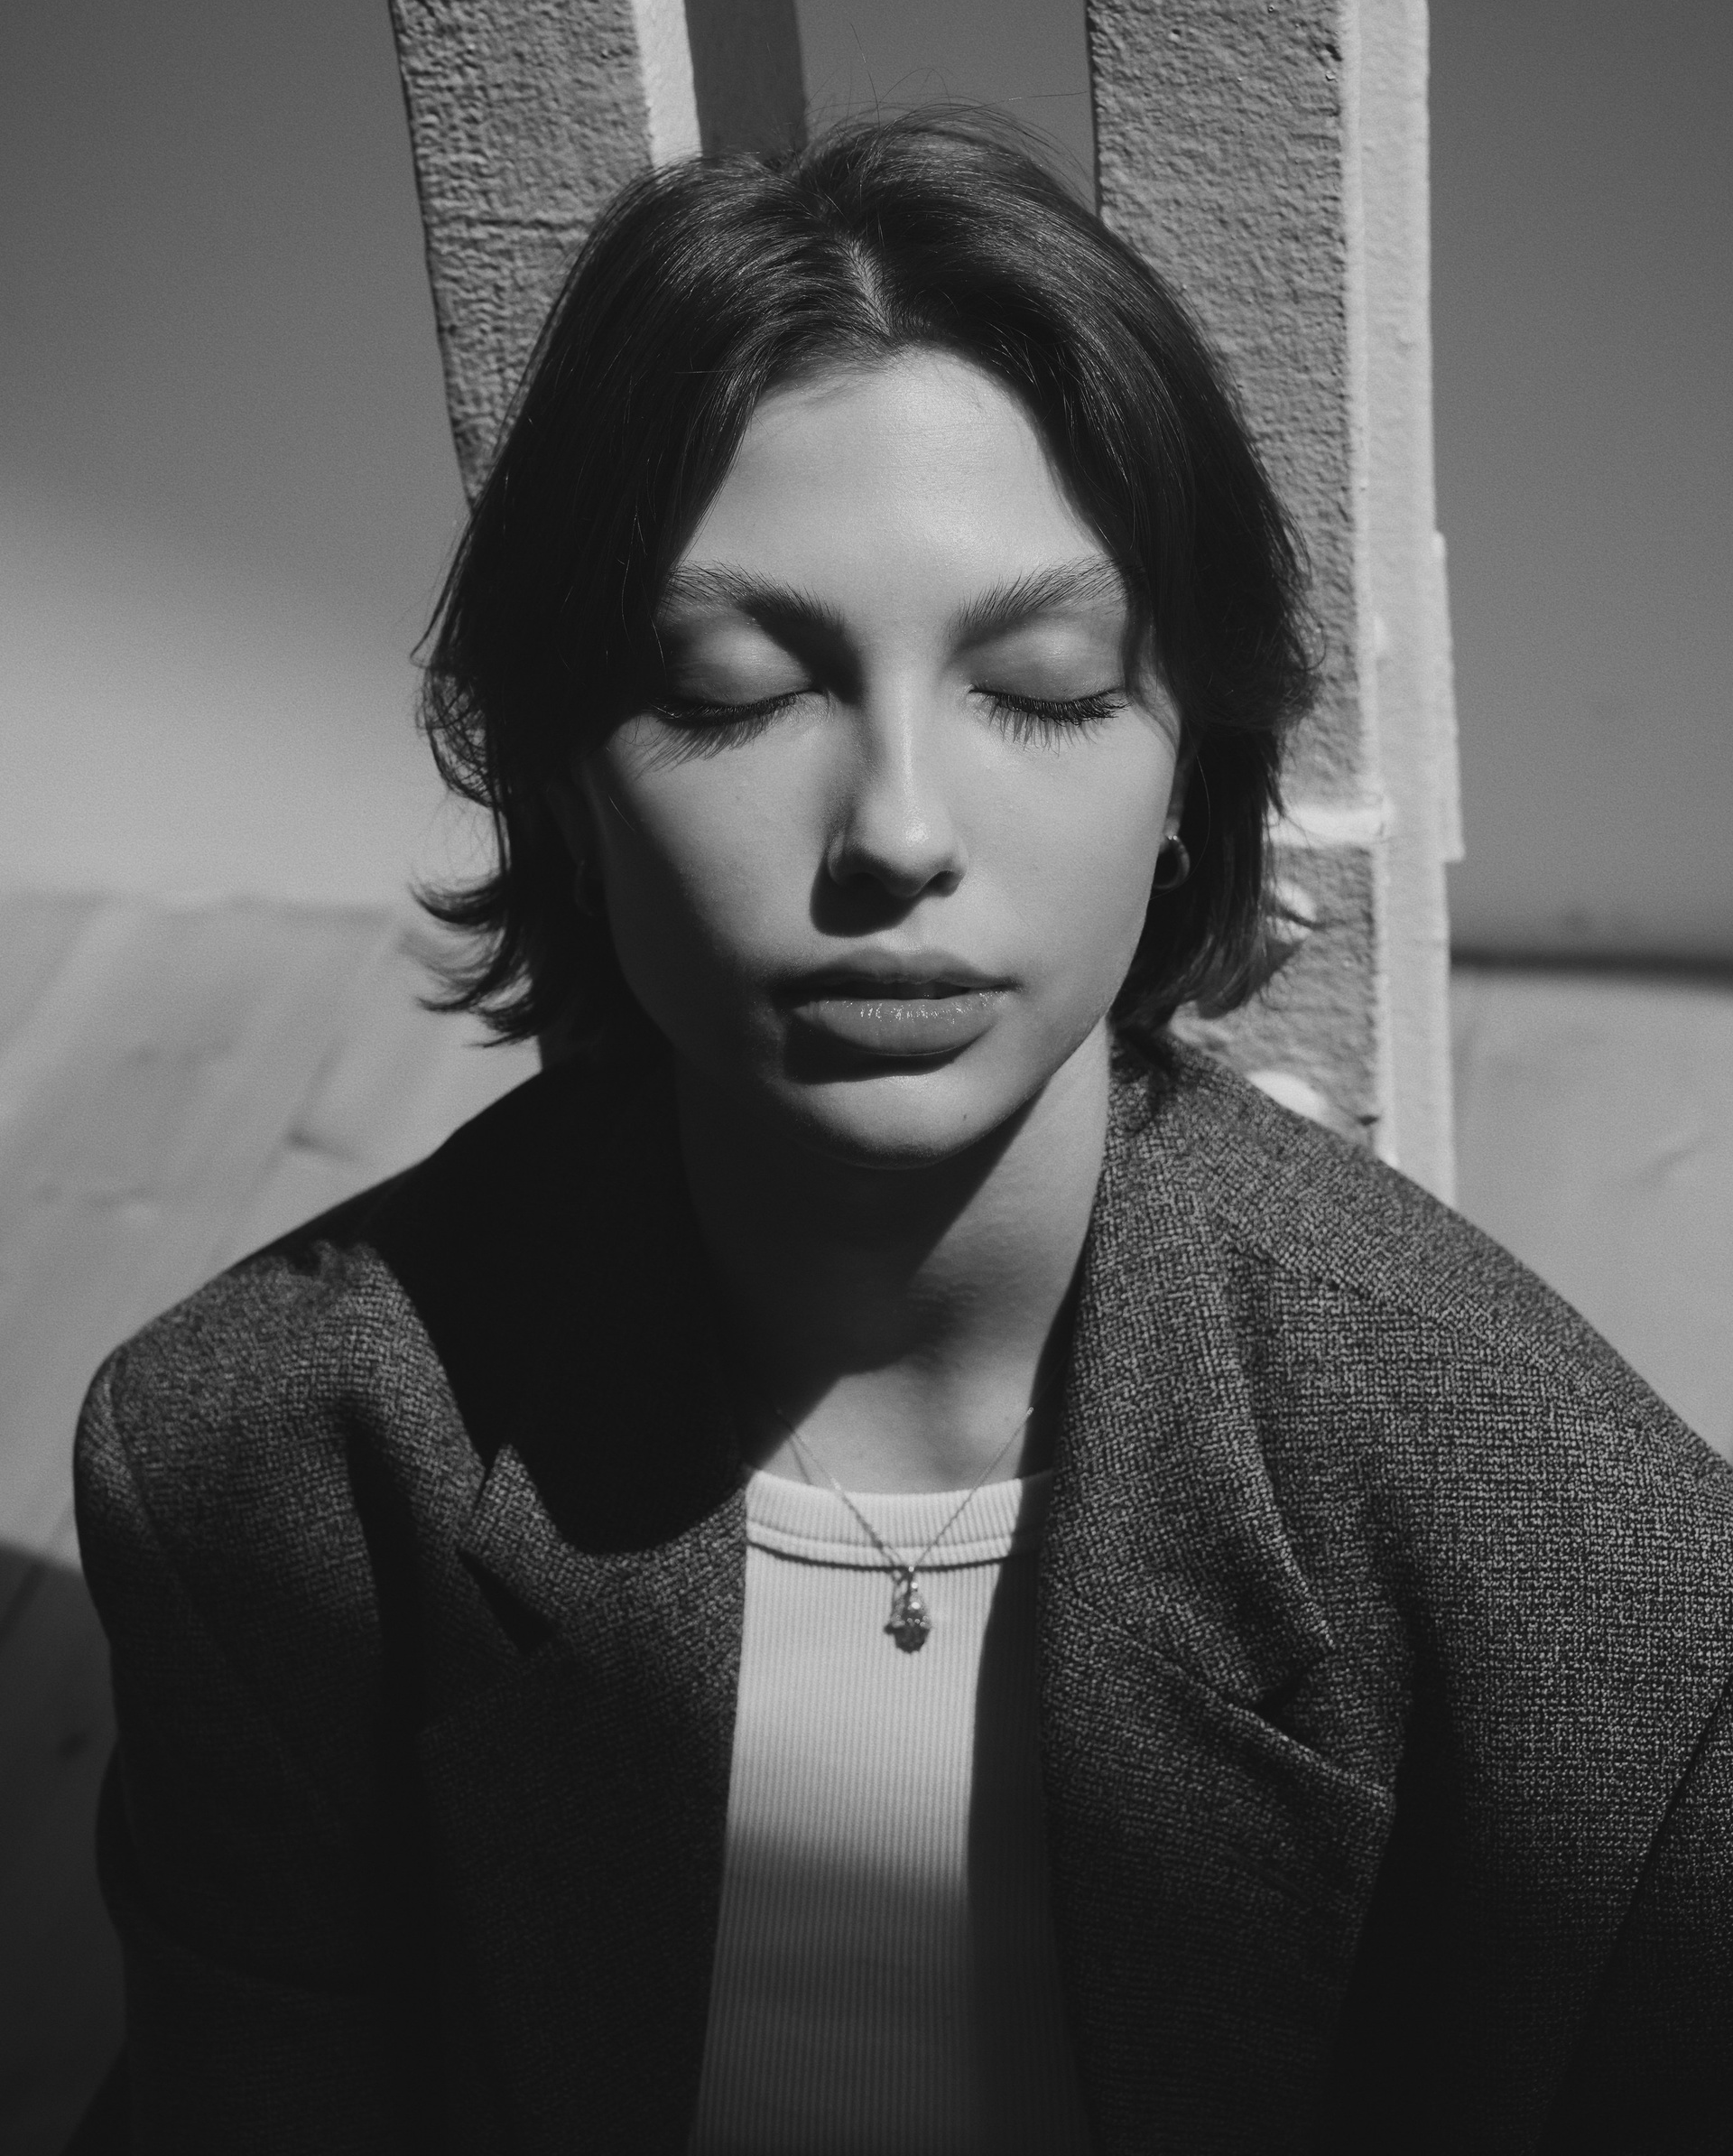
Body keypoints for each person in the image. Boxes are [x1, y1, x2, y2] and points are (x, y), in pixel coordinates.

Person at [73, 119, 1733, 2155]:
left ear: (1190, 782)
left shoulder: (1597, 1587)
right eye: (729, 690)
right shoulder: (255, 1470)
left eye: (1043, 687)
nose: (899, 833)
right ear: (562, 787)